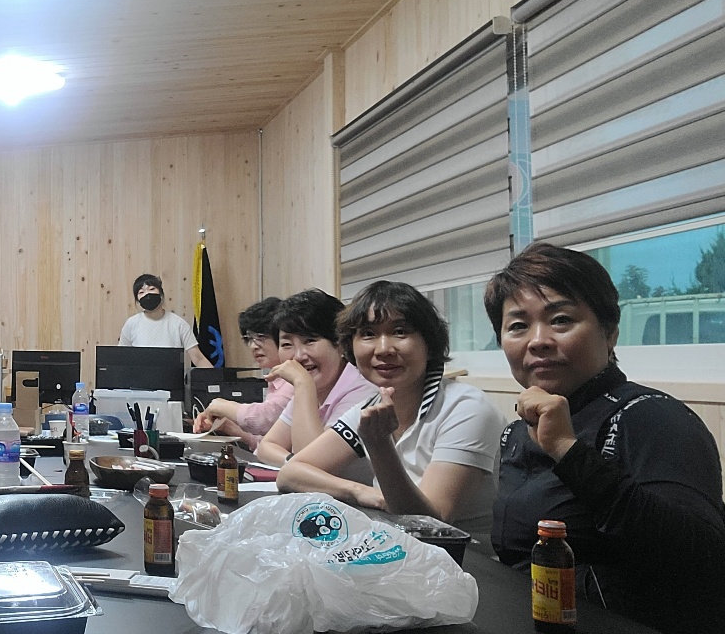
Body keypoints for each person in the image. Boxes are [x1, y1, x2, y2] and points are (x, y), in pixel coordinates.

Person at [487, 242, 725, 634]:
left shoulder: (652, 416)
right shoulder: (517, 432)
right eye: (517, 326)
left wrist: (568, 450)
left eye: (561, 320)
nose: (537, 340)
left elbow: (705, 561)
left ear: (609, 333)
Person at [277, 281, 505, 535]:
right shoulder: (369, 407)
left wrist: (379, 445)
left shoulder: (465, 408)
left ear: (429, 344)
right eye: (368, 334)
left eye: (400, 331)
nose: (383, 349)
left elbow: (432, 523)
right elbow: (291, 473)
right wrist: (360, 491)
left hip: (467, 556)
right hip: (392, 542)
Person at [253, 289, 375, 466]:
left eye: (310, 340)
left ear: (341, 344)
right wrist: (292, 463)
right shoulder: (312, 387)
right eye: (286, 344)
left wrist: (303, 384)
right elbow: (266, 447)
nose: (298, 356)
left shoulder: (363, 390)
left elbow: (314, 465)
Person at [192, 297, 293, 449]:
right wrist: (228, 427)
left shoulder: (293, 378)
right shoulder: (276, 380)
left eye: (261, 337)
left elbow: (265, 419)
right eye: (249, 339)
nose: (253, 346)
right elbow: (266, 443)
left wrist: (221, 405)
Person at [118, 273, 213, 368]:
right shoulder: (131, 324)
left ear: (161, 293)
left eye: (152, 289)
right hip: (139, 377)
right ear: (137, 300)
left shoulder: (179, 324)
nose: (147, 294)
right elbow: (121, 357)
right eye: (141, 292)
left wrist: (215, 376)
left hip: (172, 376)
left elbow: (198, 358)